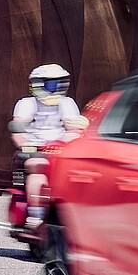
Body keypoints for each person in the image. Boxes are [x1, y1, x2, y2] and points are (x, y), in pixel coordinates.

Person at [10, 63, 85, 228]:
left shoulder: (67, 103)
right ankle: (35, 216)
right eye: (49, 84)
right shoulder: (26, 104)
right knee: (39, 166)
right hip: (34, 150)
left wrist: (67, 141)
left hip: (59, 151)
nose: (53, 88)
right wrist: (28, 146)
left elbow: (73, 129)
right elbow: (18, 133)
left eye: (57, 83)